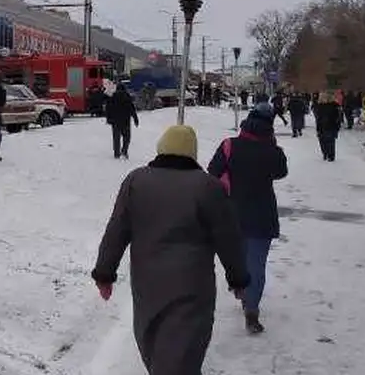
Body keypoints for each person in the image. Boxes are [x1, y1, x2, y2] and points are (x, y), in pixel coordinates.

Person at [91, 125, 249, 374]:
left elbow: (117, 230)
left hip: (147, 285)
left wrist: (104, 273)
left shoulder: (136, 180)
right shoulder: (208, 187)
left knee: (154, 346)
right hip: (192, 287)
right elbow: (228, 238)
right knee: (181, 354)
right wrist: (238, 278)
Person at [207, 102, 288, 334]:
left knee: (237, 258)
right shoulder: (271, 150)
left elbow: (212, 172)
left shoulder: (229, 145)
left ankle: (240, 289)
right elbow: (281, 172)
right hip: (263, 215)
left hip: (231, 213)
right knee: (257, 263)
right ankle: (251, 308)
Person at [105, 83, 140, 159]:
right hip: (125, 121)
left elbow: (108, 109)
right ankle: (124, 151)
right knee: (126, 137)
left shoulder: (112, 97)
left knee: (116, 138)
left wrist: (108, 119)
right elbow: (132, 109)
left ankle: (116, 153)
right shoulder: (127, 97)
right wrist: (135, 119)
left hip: (115, 121)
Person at [313, 91, 342, 161]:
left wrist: (337, 125)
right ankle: (325, 153)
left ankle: (331, 155)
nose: (323, 98)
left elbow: (338, 116)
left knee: (330, 141)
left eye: (325, 97)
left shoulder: (335, 105)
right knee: (322, 141)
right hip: (321, 126)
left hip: (331, 126)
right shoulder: (319, 106)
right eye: (322, 97)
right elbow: (317, 117)